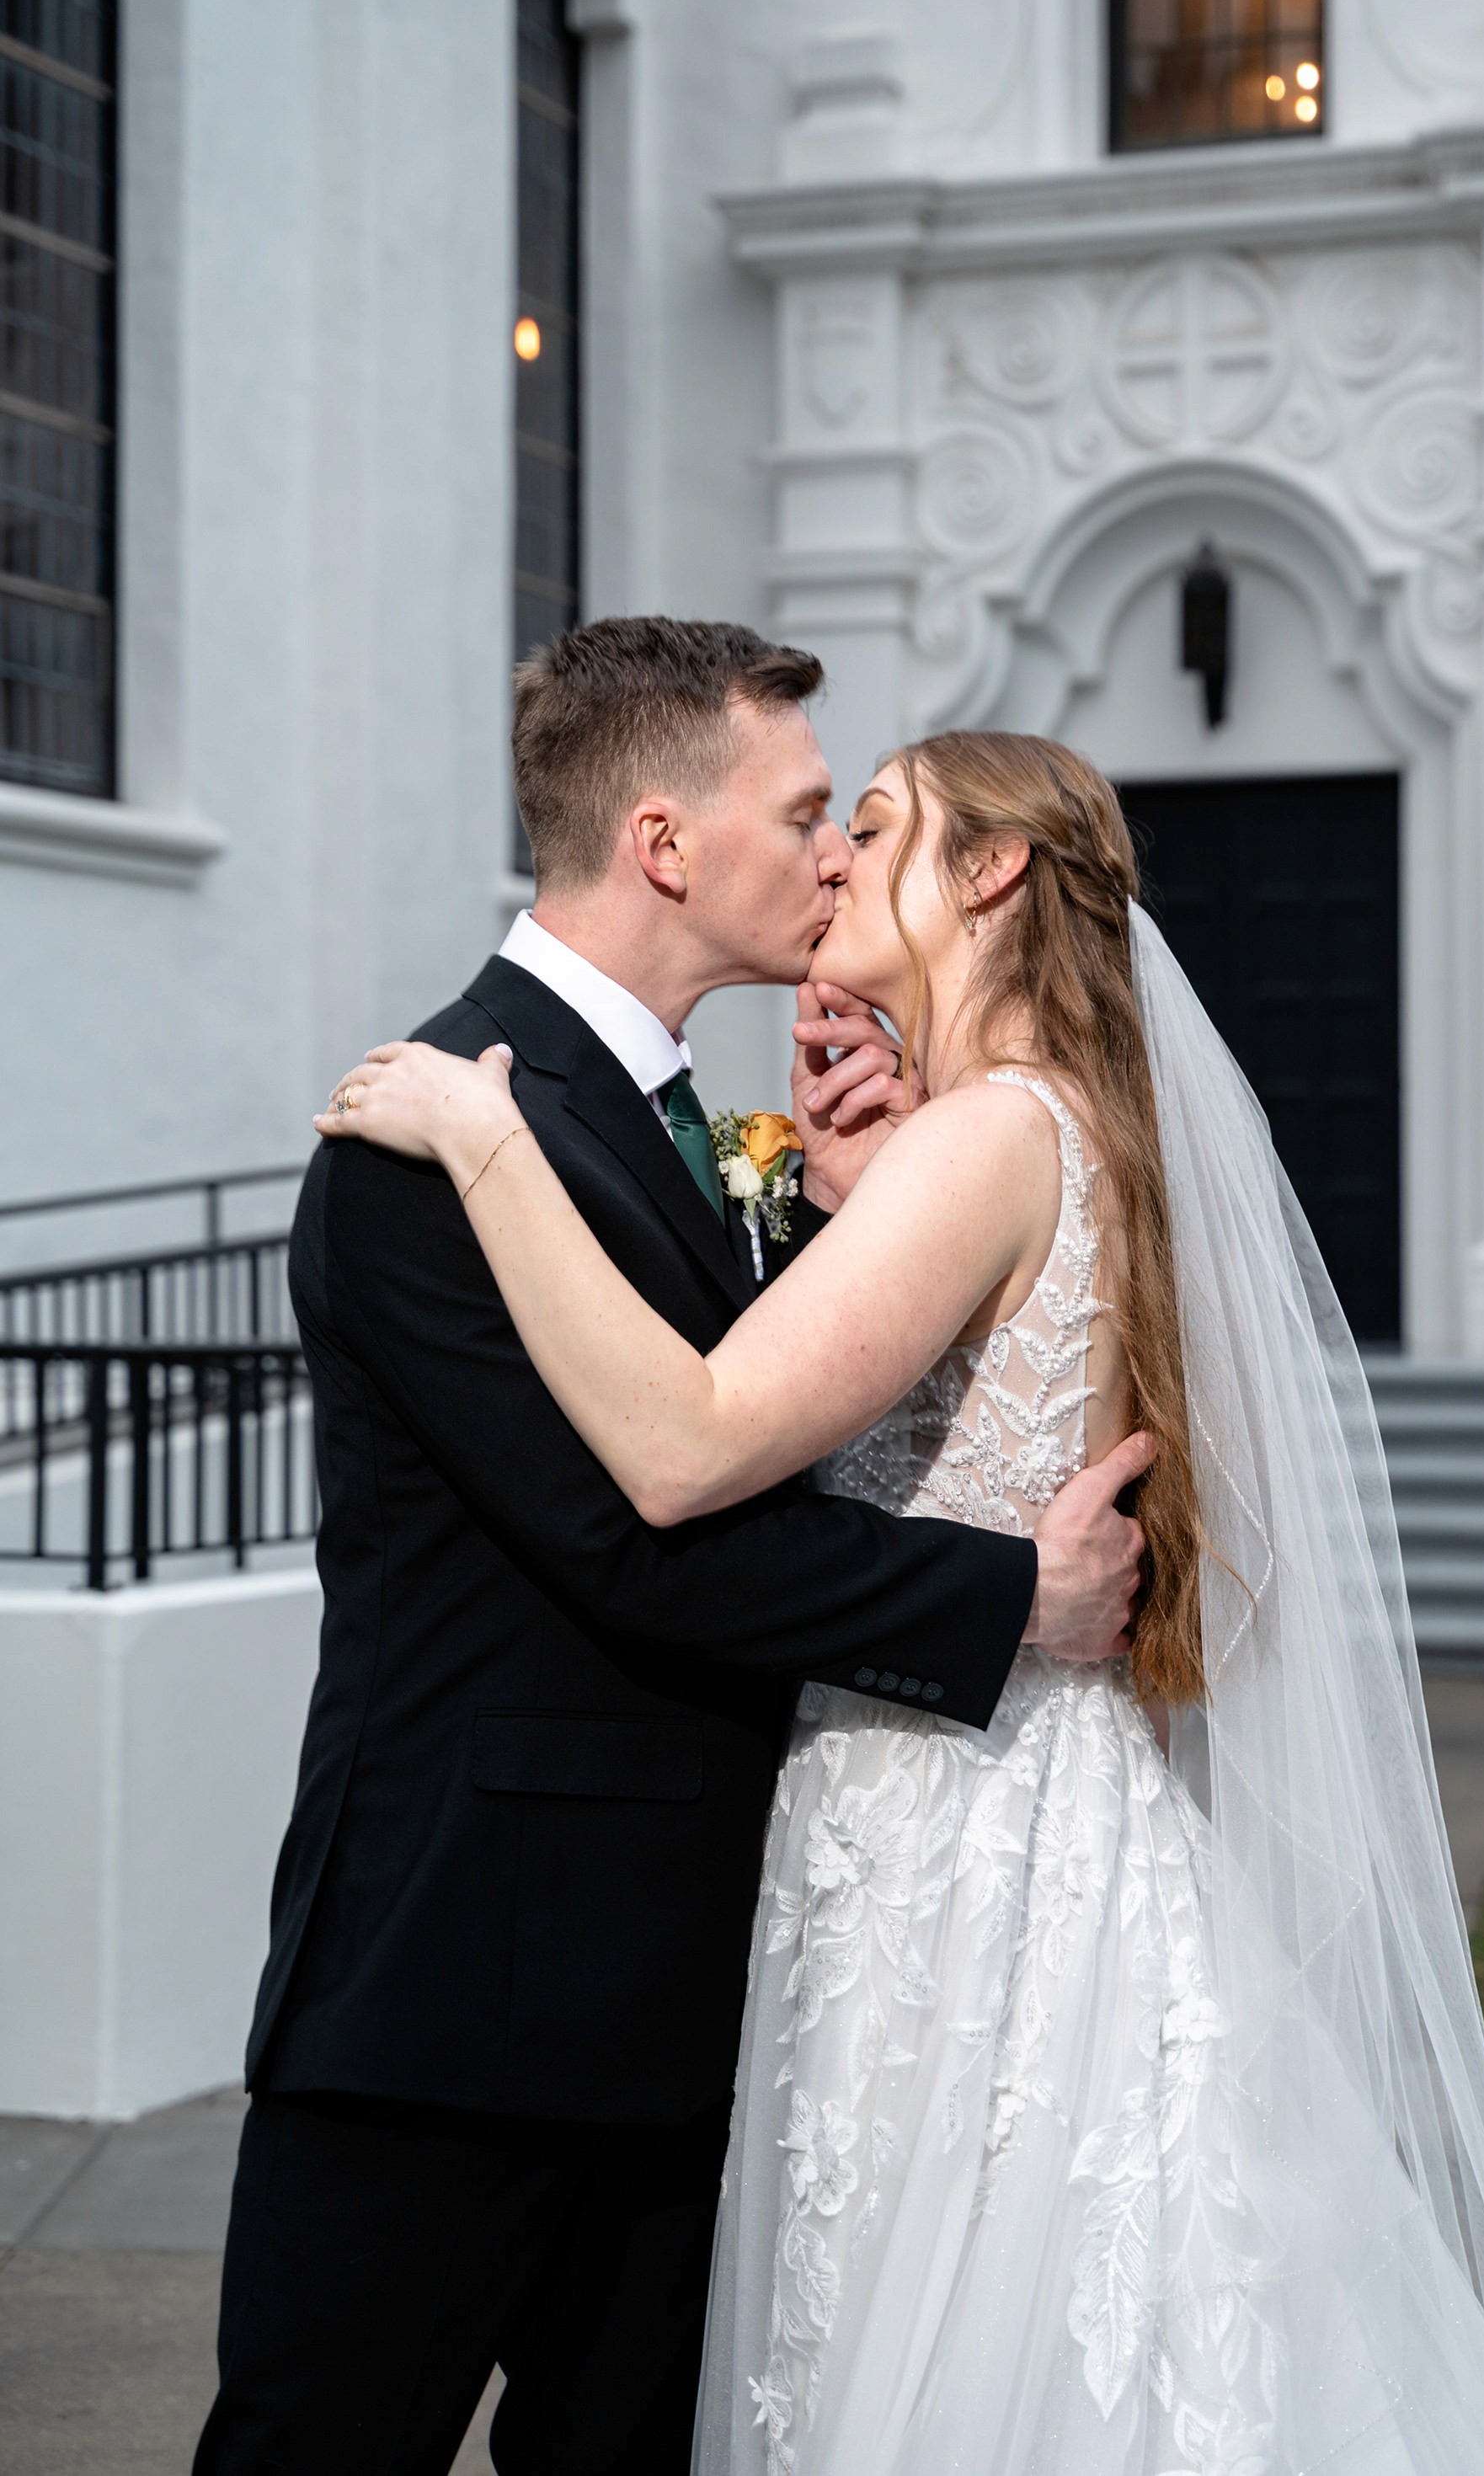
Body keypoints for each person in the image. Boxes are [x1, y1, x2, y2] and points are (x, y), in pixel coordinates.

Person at [321, 728, 1484, 2476]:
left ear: (991, 873)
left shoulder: (988, 1137)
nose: (836, 861)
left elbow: (689, 1445)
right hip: (1002, 1801)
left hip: (957, 1840)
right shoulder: (1050, 1128)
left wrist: (485, 1142)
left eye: (866, 825)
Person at [195, 624, 1151, 2476]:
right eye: (806, 813)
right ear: (659, 841)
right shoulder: (432, 1126)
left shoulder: (692, 1126)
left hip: (686, 1986)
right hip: (457, 1989)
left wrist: (814, 1219)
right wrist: (1000, 1594)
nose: (831, 854)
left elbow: (764, 1431)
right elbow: (623, 1539)